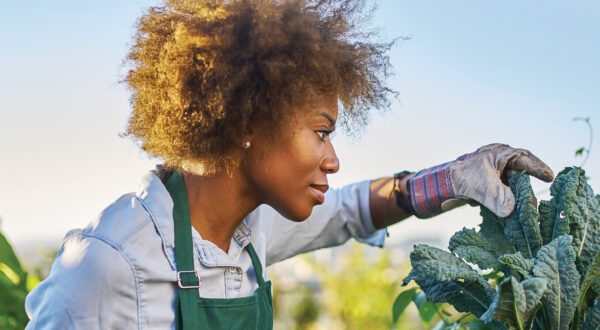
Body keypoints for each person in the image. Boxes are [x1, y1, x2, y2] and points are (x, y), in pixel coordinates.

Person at [24, 0, 554, 329]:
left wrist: (457, 178)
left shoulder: (248, 235)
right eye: (321, 131)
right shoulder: (105, 267)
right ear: (249, 119)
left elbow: (350, 211)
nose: (333, 157)